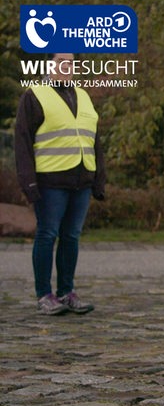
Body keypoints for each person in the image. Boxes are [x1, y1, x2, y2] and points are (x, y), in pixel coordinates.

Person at [15, 53, 106, 316]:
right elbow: (22, 142)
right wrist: (28, 182)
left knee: (71, 237)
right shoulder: (34, 95)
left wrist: (99, 179)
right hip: (50, 182)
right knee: (47, 235)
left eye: (72, 63)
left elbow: (94, 140)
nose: (68, 67)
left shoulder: (84, 95)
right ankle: (44, 295)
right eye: (62, 62)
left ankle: (67, 293)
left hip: (82, 181)